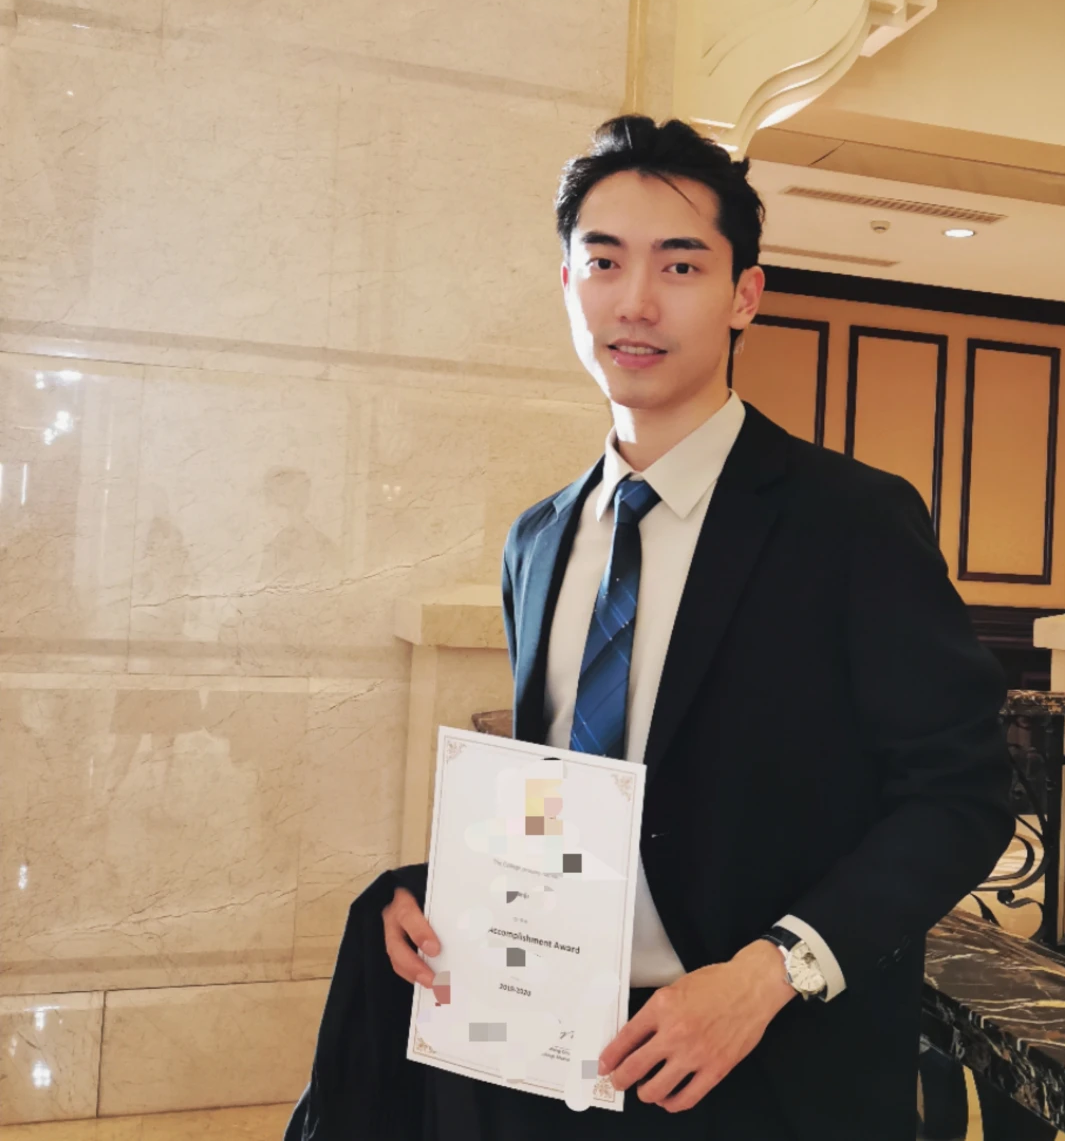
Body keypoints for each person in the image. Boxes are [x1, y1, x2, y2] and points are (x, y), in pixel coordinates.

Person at [287, 116, 1013, 1141]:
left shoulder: (850, 521)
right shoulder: (539, 538)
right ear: (567, 284)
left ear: (744, 295)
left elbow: (963, 797)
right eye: (604, 261)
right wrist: (441, 888)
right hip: (551, 1061)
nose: (635, 301)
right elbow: (570, 795)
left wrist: (769, 974)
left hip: (766, 1073)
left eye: (680, 265)